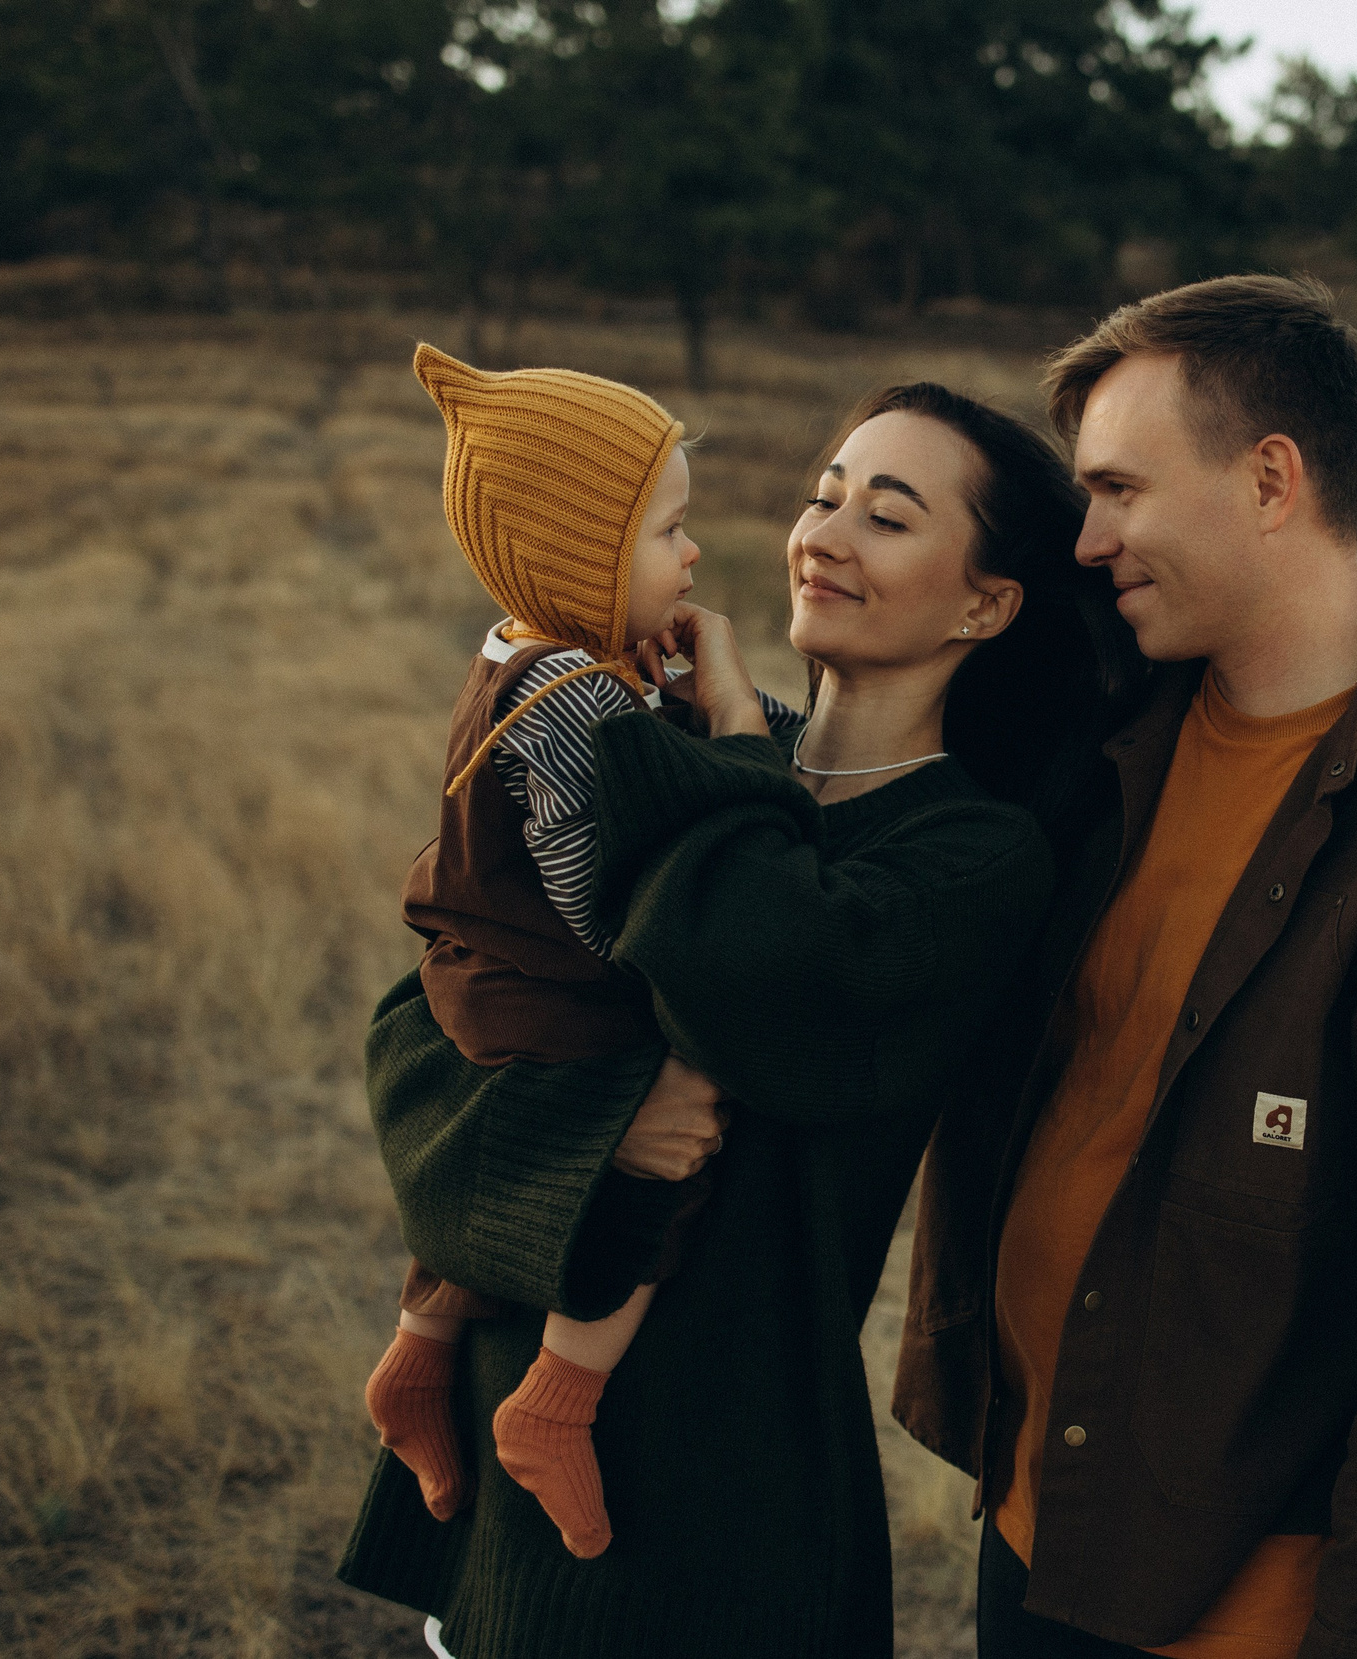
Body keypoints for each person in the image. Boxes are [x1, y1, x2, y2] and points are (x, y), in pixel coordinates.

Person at [338, 381, 1139, 1659]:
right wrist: (612, 1121)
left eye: (886, 516)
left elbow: (750, 960)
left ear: (987, 603)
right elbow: (425, 1023)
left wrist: (717, 742)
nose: (821, 534)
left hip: (715, 1493)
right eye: (823, 497)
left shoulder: (971, 856)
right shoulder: (692, 752)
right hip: (506, 1451)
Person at [890, 275, 1357, 1659]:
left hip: (1241, 1611)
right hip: (1040, 1521)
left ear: (1273, 478)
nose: (1089, 538)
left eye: (1120, 490)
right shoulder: (1113, 741)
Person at [366, 344, 811, 1562]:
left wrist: (763, 726)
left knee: (510, 1180)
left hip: (488, 971)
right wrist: (676, 962)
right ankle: (556, 1400)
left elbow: (723, 738)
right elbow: (595, 893)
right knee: (652, 1174)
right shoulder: (566, 696)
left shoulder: (553, 657)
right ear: (575, 557)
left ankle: (419, 1357)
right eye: (669, 530)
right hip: (544, 983)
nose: (694, 554)